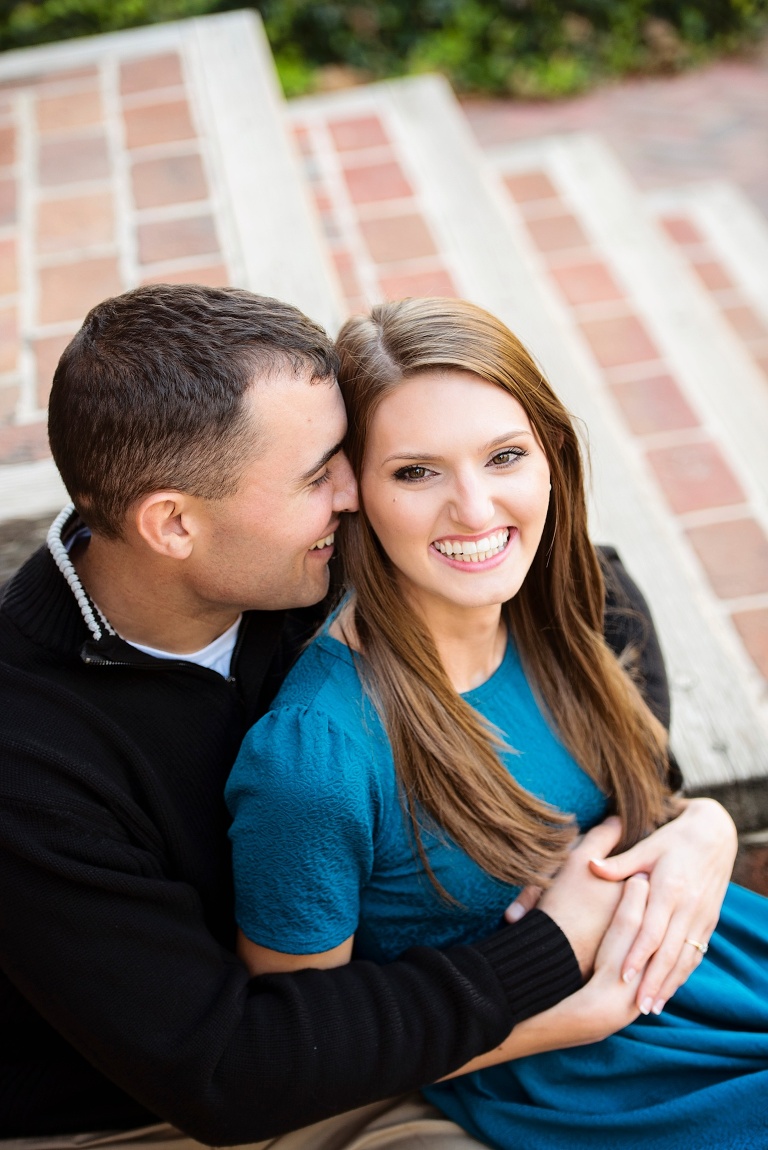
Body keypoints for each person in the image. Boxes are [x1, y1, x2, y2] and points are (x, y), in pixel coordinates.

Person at [0, 284, 735, 1149]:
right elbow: (232, 1071)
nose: (355, 494)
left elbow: (582, 624)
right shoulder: (30, 757)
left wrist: (700, 831)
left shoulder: (300, 564)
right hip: (158, 1108)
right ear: (173, 525)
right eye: (320, 474)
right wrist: (555, 955)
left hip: (405, 1018)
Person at [226, 297, 767, 1149]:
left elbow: (643, 805)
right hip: (570, 1067)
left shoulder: (582, 602)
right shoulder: (316, 758)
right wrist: (574, 1020)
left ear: (550, 458)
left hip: (712, 954)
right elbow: (307, 1052)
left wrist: (706, 832)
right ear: (353, 492)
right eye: (416, 472)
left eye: (504, 456)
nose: (476, 510)